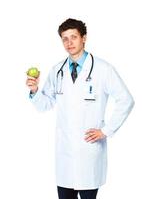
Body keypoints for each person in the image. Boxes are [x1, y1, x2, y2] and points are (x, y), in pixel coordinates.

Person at [26, 18, 134, 199]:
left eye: (73, 37)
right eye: (65, 39)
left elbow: (126, 100)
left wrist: (106, 130)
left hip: (89, 152)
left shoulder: (103, 69)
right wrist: (34, 90)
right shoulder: (57, 70)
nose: (69, 43)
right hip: (65, 154)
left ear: (84, 38)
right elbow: (45, 105)